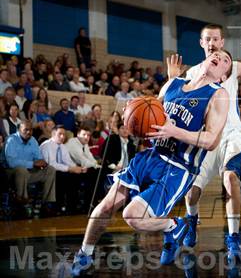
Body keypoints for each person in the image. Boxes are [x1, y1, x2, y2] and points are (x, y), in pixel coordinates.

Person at [71, 51, 231, 276]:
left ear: (224, 75)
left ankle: (173, 226)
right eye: (215, 53)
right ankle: (84, 256)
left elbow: (212, 141)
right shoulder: (174, 84)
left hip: (177, 167)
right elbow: (151, 115)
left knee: (132, 216)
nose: (218, 56)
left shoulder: (218, 94)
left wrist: (174, 131)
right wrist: (133, 117)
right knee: (106, 204)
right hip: (151, 156)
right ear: (203, 60)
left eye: (225, 59)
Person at [169, 25, 241, 263]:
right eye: (207, 39)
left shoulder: (233, 66)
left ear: (222, 41)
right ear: (201, 43)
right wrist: (171, 78)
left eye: (215, 39)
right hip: (207, 137)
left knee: (231, 179)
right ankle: (192, 221)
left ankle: (234, 237)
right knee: (191, 194)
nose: (211, 43)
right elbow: (175, 100)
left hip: (231, 135)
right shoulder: (194, 72)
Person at [4, 120, 56, 214]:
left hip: (29, 173)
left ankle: (46, 203)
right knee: (21, 169)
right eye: (26, 130)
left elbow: (38, 158)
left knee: (50, 170)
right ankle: (22, 201)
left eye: (31, 130)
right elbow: (11, 162)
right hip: (11, 173)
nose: (29, 132)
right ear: (18, 130)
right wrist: (32, 163)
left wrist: (42, 163)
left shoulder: (32, 140)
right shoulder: (11, 140)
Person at [40, 125, 87, 214]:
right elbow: (51, 164)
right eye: (60, 134)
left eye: (64, 135)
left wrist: (78, 168)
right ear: (53, 134)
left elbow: (68, 161)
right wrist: (70, 169)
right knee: (62, 176)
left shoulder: (62, 146)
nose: (62, 137)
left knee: (76, 176)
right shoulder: (47, 145)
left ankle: (72, 206)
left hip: (60, 171)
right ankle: (57, 207)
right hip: (46, 171)